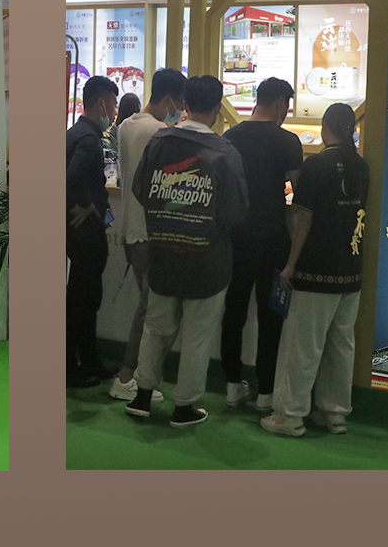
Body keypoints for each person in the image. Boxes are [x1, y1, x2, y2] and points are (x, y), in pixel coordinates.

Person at [125, 75, 248, 427]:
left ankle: (142, 395)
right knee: (197, 338)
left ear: (185, 104)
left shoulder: (159, 142)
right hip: (207, 263)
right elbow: (235, 213)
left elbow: (140, 190)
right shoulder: (224, 153)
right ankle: (184, 407)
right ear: (217, 108)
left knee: (156, 328)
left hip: (163, 255)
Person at [261, 103, 369, 437]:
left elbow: (303, 218)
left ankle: (290, 415)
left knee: (303, 346)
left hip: (316, 269)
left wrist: (291, 264)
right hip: (351, 269)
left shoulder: (316, 166)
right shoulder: (362, 166)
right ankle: (334, 413)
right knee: (341, 344)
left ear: (324, 128)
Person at [220, 78, 303, 414]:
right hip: (273, 240)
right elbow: (300, 196)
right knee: (271, 318)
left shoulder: (230, 137)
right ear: (281, 103)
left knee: (234, 312)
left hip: (236, 238)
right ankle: (266, 392)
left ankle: (231, 384)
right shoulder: (288, 141)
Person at [109, 69, 186, 402]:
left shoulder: (127, 125)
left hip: (131, 230)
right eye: (179, 103)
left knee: (149, 307)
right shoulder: (159, 132)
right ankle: (129, 377)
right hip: (150, 234)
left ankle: (134, 377)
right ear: (168, 100)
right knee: (151, 311)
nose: (180, 110)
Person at [66, 75, 120, 387]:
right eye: (112, 105)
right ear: (101, 103)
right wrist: (87, 204)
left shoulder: (75, 132)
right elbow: (71, 176)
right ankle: (73, 367)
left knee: (82, 299)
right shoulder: (88, 139)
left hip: (78, 234)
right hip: (85, 233)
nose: (113, 112)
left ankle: (89, 360)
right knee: (84, 301)